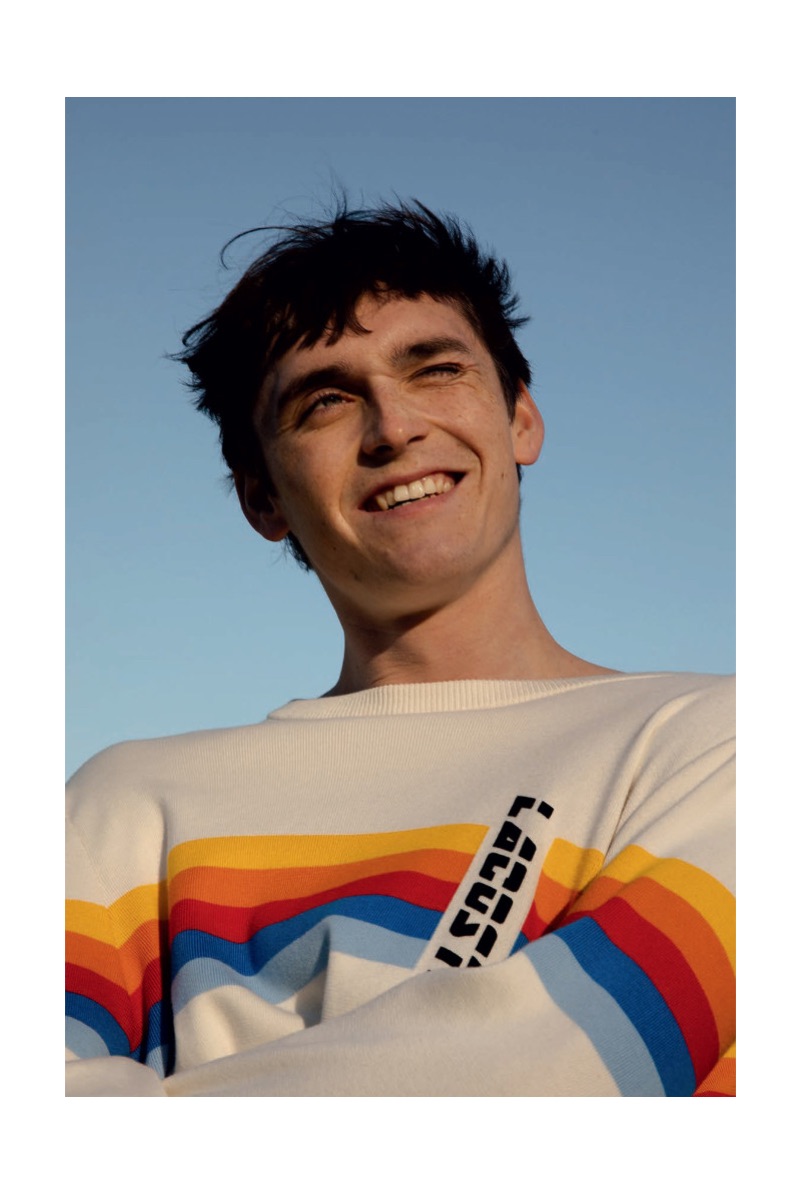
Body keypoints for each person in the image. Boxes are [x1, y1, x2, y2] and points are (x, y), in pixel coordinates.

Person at [66, 201, 735, 1096]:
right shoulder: (122, 808)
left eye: (437, 369)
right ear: (262, 498)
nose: (394, 427)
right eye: (325, 401)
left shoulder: (718, 741)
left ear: (521, 419)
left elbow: (551, 1078)